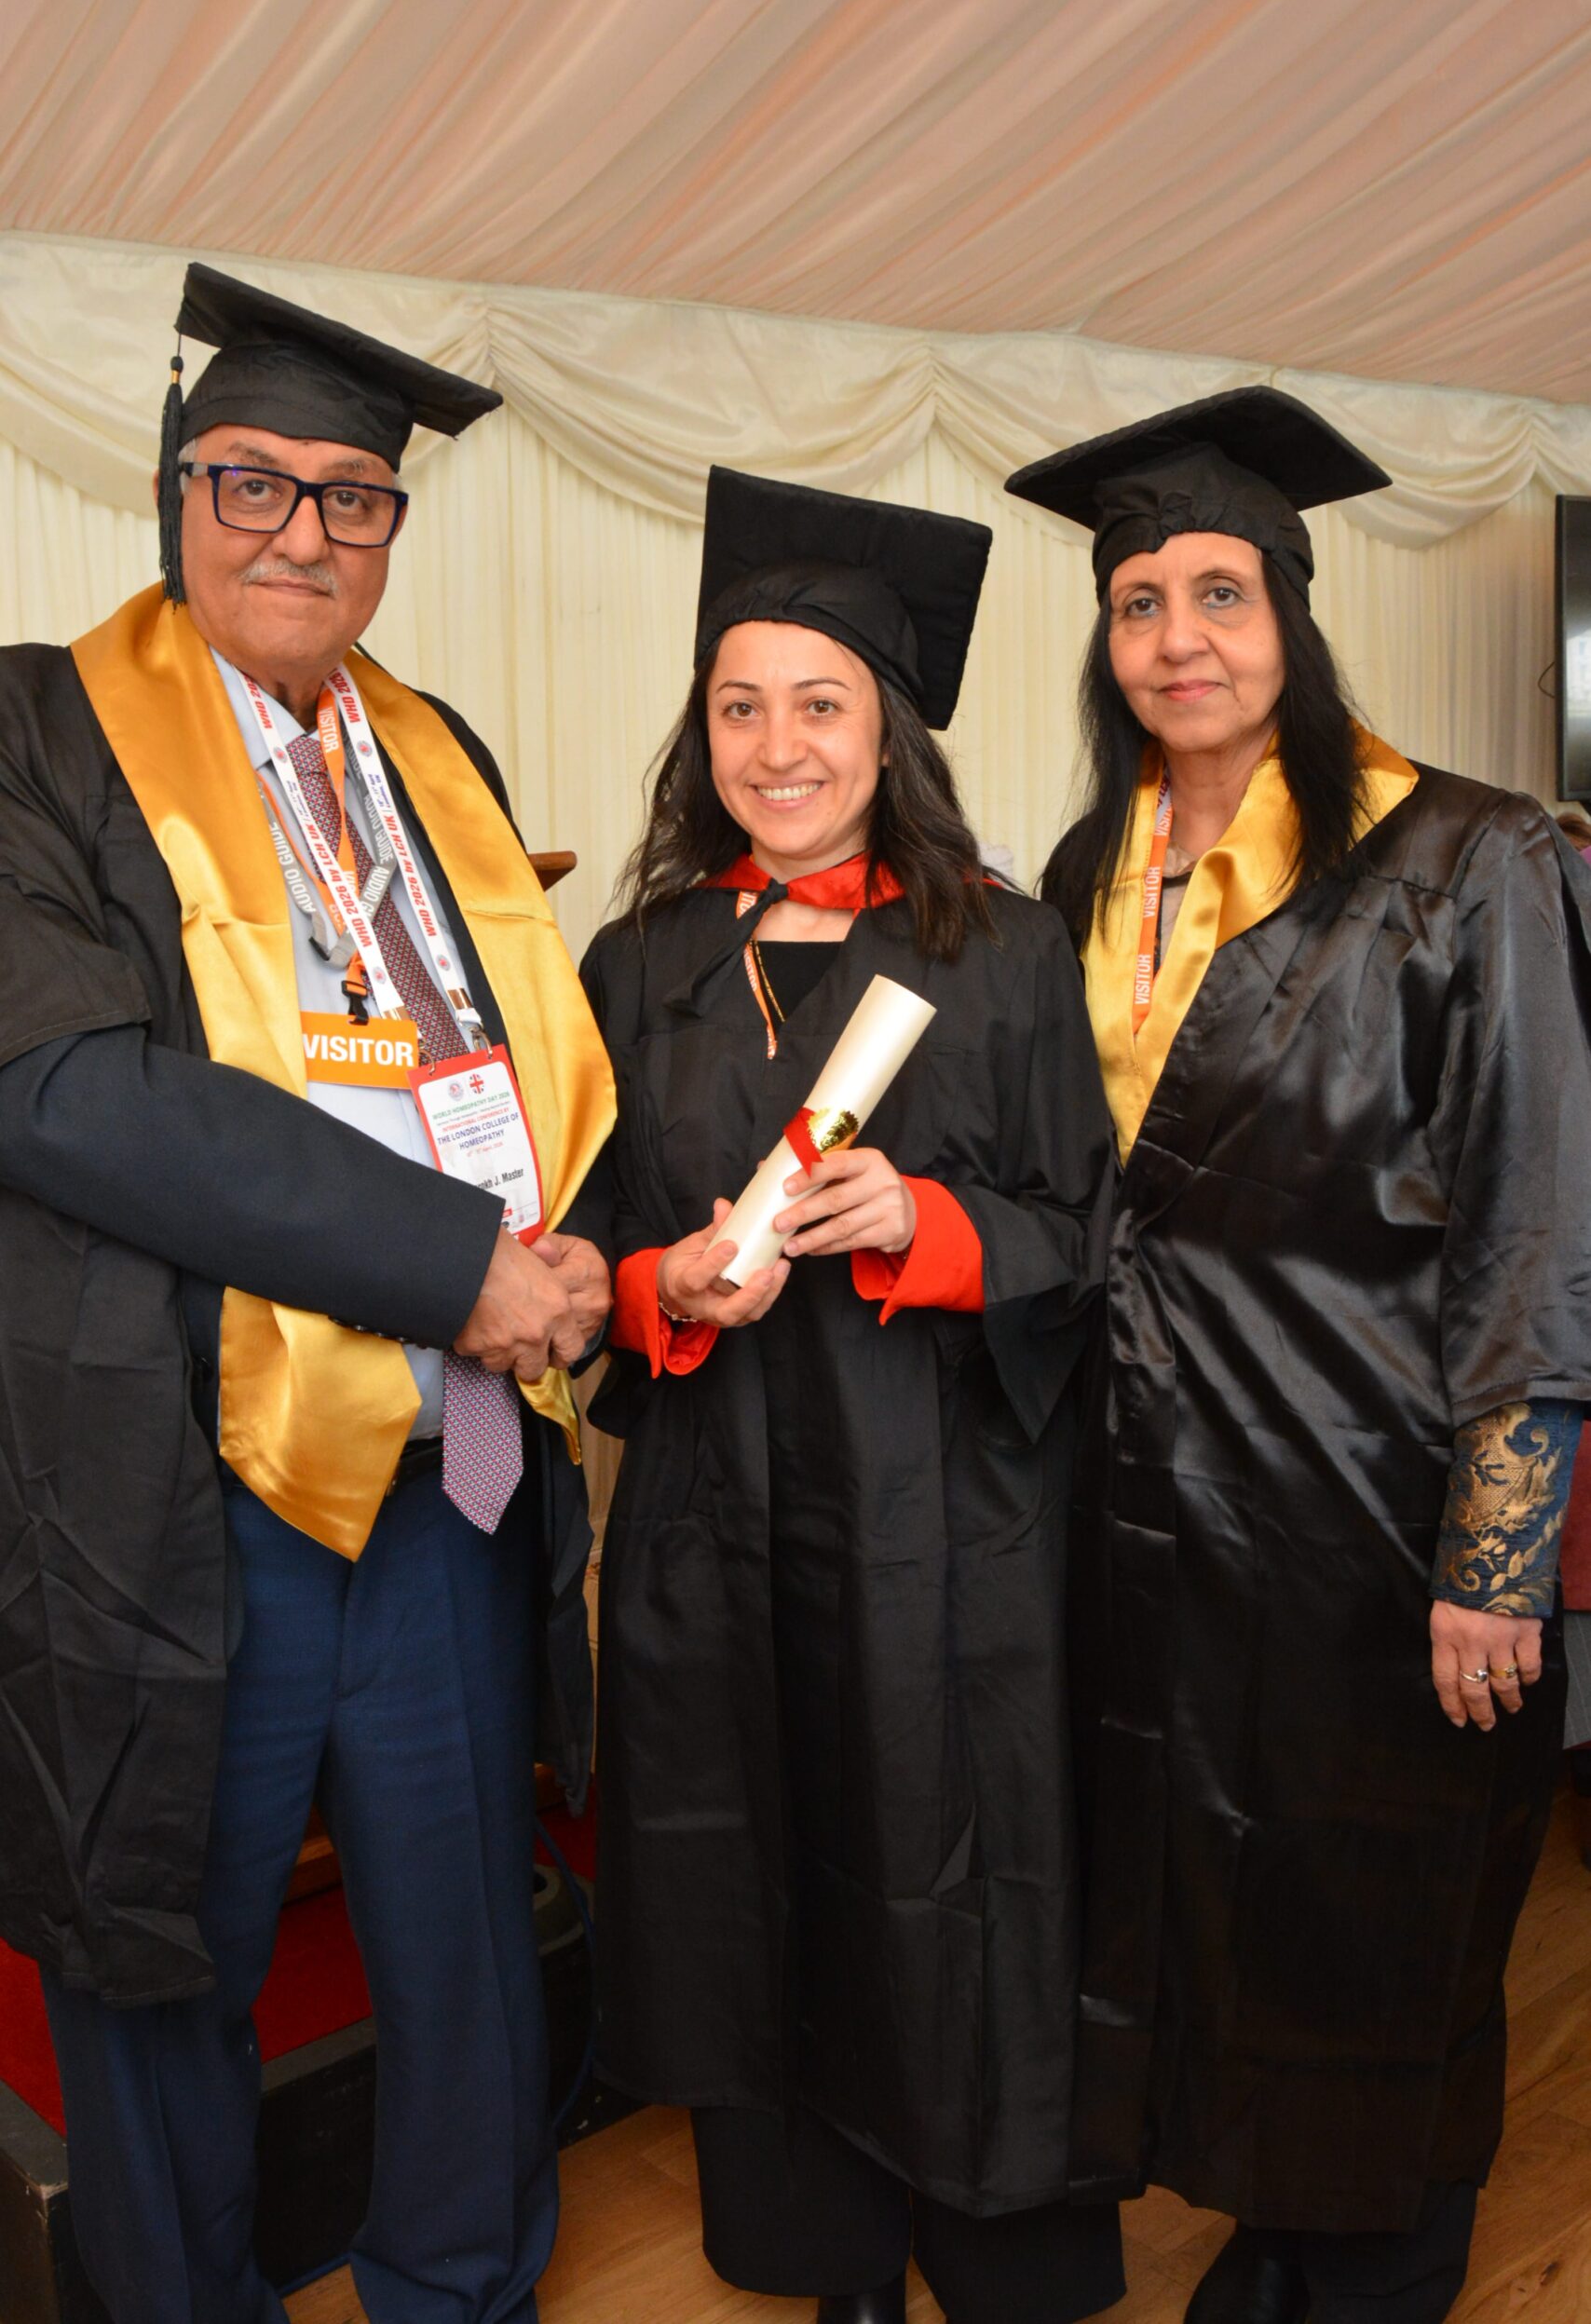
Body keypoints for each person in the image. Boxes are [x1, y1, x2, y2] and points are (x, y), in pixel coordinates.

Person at [0, 264, 615, 2324]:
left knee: (460, 1939)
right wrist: (460, 1265)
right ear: (174, 493)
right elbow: (70, 1091)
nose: (298, 532)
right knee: (159, 1955)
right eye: (249, 481)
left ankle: (459, 2281)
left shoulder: (439, 753)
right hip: (180, 1494)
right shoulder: (32, 731)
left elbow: (510, 1056)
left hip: (445, 1480)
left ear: (389, 531)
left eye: (350, 497)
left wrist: (576, 1242)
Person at [1003, 387, 1591, 2324]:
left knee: (1377, 1929)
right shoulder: (1085, 866)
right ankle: (1276, 2243)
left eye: (1221, 594)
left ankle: (1371, 2275)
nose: (1178, 638)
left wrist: (1495, 1554)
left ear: (1293, 617)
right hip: (1151, 1515)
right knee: (1211, 1911)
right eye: (1139, 601)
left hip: (1370, 1511)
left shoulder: (1468, 855)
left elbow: (1537, 1219)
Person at [578, 469, 1124, 2324]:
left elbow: (1087, 1232)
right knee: (751, 1877)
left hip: (941, 1529)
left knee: (947, 1874)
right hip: (716, 1522)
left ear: (889, 730)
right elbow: (585, 1243)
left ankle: (994, 2247)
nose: (777, 745)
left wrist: (932, 1223)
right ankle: (826, 2264)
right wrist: (660, 1286)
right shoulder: (643, 959)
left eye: (819, 703)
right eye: (739, 706)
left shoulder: (1003, 949)